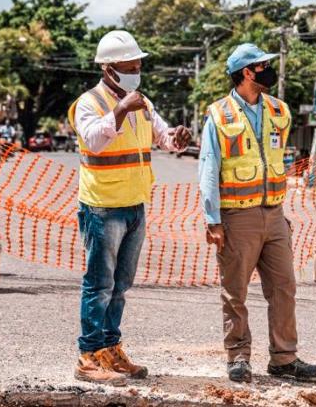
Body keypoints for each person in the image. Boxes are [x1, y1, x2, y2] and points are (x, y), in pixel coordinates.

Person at [67, 30, 191, 386]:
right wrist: (120, 110)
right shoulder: (89, 103)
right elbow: (93, 141)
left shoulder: (144, 103)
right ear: (109, 68)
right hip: (102, 207)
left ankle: (110, 348)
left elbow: (163, 138)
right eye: (130, 63)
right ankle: (88, 355)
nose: (137, 68)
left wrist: (176, 139)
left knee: (120, 285)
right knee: (99, 284)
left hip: (135, 205)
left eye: (138, 63)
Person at [199, 43, 316, 383]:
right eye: (262, 65)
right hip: (237, 216)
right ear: (246, 73)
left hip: (274, 214)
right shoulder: (220, 115)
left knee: (284, 286)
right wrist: (213, 219)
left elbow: (276, 159)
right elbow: (209, 168)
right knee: (235, 291)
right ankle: (238, 356)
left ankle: (284, 359)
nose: (269, 69)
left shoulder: (278, 111)